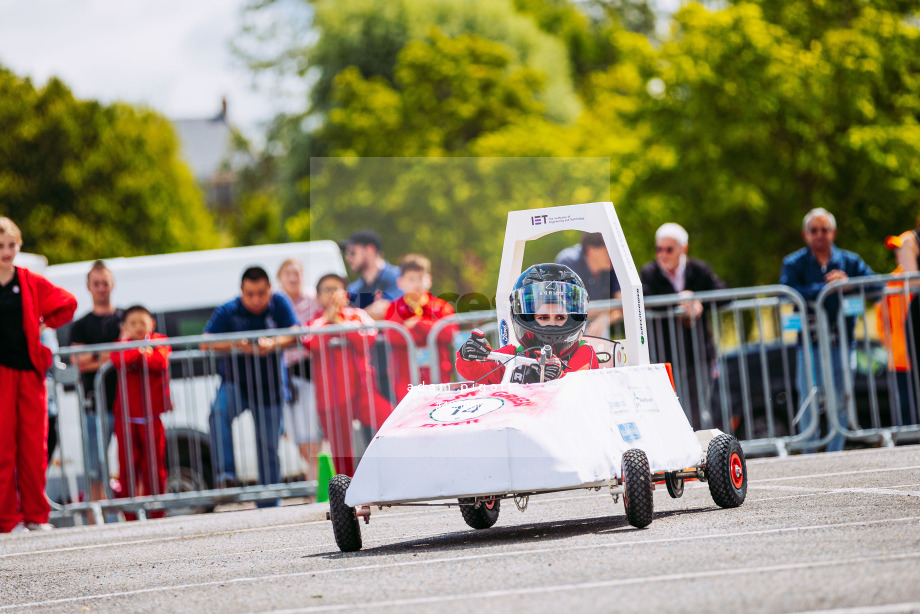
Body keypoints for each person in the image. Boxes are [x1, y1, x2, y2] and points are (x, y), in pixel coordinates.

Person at [0, 217, 77, 533]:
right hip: (1, 375)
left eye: (11, 244)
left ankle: (36, 516)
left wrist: (42, 323)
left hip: (30, 373)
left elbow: (67, 303)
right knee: (3, 448)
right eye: (0, 245)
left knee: (34, 447)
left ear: (19, 245)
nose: (6, 251)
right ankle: (6, 520)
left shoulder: (29, 280)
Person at [781, 208, 874, 452]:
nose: (820, 234)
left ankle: (836, 449)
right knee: (809, 398)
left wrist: (848, 283)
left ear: (833, 232)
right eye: (814, 230)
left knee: (842, 397)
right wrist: (826, 287)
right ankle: (810, 452)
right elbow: (787, 292)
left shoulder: (850, 261)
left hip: (842, 342)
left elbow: (877, 286)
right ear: (805, 234)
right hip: (809, 344)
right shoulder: (794, 262)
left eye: (824, 229)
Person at [202, 266, 297, 503]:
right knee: (218, 413)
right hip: (236, 384)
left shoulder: (280, 304)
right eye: (250, 294)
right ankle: (226, 476)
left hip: (270, 388)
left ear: (270, 289)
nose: (256, 299)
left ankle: (269, 502)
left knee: (268, 448)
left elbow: (295, 333)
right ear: (241, 291)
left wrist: (273, 343)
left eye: (261, 293)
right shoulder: (229, 309)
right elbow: (206, 343)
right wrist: (236, 344)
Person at [304, 273, 393, 477]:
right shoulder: (316, 321)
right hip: (332, 396)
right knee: (341, 452)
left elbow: (367, 338)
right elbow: (309, 341)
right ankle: (347, 499)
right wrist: (329, 319)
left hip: (362, 390)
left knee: (390, 422)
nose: (333, 293)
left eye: (337, 289)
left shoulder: (358, 315)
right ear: (318, 297)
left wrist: (340, 323)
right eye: (327, 290)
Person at [640, 223, 727, 429]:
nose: (663, 254)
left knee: (697, 408)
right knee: (670, 407)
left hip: (698, 353)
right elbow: (644, 301)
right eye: (659, 249)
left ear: (683, 248)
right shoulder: (649, 272)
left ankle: (697, 455)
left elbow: (725, 294)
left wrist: (698, 300)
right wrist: (677, 301)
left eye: (669, 249)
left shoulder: (699, 270)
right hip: (665, 354)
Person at [456, 264, 598, 385]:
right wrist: (468, 354)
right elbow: (473, 371)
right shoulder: (512, 354)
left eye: (560, 317)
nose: (552, 324)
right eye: (543, 317)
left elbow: (581, 389)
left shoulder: (583, 352)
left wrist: (559, 376)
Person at [69, 260, 124, 505]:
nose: (102, 288)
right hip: (94, 406)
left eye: (105, 283)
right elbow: (78, 362)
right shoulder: (80, 326)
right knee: (95, 467)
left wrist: (97, 356)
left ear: (112, 285)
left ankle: (130, 514)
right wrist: (115, 352)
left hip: (124, 403)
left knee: (130, 463)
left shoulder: (124, 318)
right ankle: (96, 517)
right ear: (88, 287)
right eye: (97, 283)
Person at [109, 305, 172, 520]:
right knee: (127, 468)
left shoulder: (159, 340)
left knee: (155, 467)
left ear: (151, 323)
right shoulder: (121, 344)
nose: (137, 327)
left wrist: (139, 354)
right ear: (125, 326)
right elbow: (119, 360)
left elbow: (159, 361)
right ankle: (130, 516)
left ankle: (157, 513)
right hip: (126, 418)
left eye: (141, 322)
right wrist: (141, 352)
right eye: (132, 323)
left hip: (152, 416)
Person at [384, 254, 459, 402]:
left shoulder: (441, 306)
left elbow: (450, 334)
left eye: (420, 278)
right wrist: (429, 331)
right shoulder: (393, 309)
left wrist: (419, 324)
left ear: (429, 280)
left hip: (439, 376)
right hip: (405, 379)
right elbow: (393, 336)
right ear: (400, 282)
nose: (416, 283)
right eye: (411, 279)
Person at [275, 258, 324, 482]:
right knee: (298, 438)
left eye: (297, 273)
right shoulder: (274, 302)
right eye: (288, 273)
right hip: (283, 376)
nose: (293, 278)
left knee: (312, 436)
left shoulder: (313, 299)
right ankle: (314, 483)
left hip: (309, 371)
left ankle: (317, 486)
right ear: (280, 278)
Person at [556, 232, 622, 337]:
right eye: (608, 251)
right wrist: (610, 308)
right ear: (591, 250)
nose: (613, 256)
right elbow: (571, 309)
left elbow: (624, 304)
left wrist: (605, 319)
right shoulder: (569, 262)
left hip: (599, 332)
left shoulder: (610, 267)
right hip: (568, 334)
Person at [343, 230, 403, 320]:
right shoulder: (353, 288)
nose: (348, 259)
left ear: (370, 250)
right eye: (346, 254)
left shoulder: (400, 277)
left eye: (352, 253)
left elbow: (392, 309)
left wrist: (355, 316)